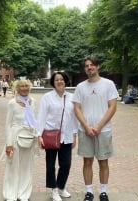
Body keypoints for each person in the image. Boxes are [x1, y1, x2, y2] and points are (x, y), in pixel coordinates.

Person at [72, 55, 119, 201]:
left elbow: (112, 107)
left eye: (92, 65)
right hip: (85, 131)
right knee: (87, 161)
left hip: (103, 130)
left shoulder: (108, 84)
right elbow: (77, 108)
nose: (89, 67)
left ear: (98, 66)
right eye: (86, 66)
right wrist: (86, 127)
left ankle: (103, 191)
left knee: (103, 161)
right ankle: (89, 191)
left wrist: (98, 126)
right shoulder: (80, 87)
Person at [37, 72, 78, 201]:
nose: (59, 81)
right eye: (56, 80)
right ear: (53, 82)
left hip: (67, 135)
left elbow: (74, 118)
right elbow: (42, 116)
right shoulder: (47, 97)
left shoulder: (72, 97)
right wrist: (39, 135)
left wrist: (74, 135)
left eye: (61, 79)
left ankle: (60, 187)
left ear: (65, 81)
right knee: (50, 164)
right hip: (50, 135)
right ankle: (53, 189)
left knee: (66, 164)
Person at [2, 79, 38, 201]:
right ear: (17, 88)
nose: (24, 88)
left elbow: (34, 120)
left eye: (26, 86)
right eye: (21, 86)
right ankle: (11, 194)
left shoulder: (33, 102)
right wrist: (8, 144)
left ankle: (23, 194)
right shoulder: (12, 103)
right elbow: (8, 124)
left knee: (26, 167)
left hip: (28, 137)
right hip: (15, 136)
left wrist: (37, 136)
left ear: (29, 88)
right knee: (13, 166)